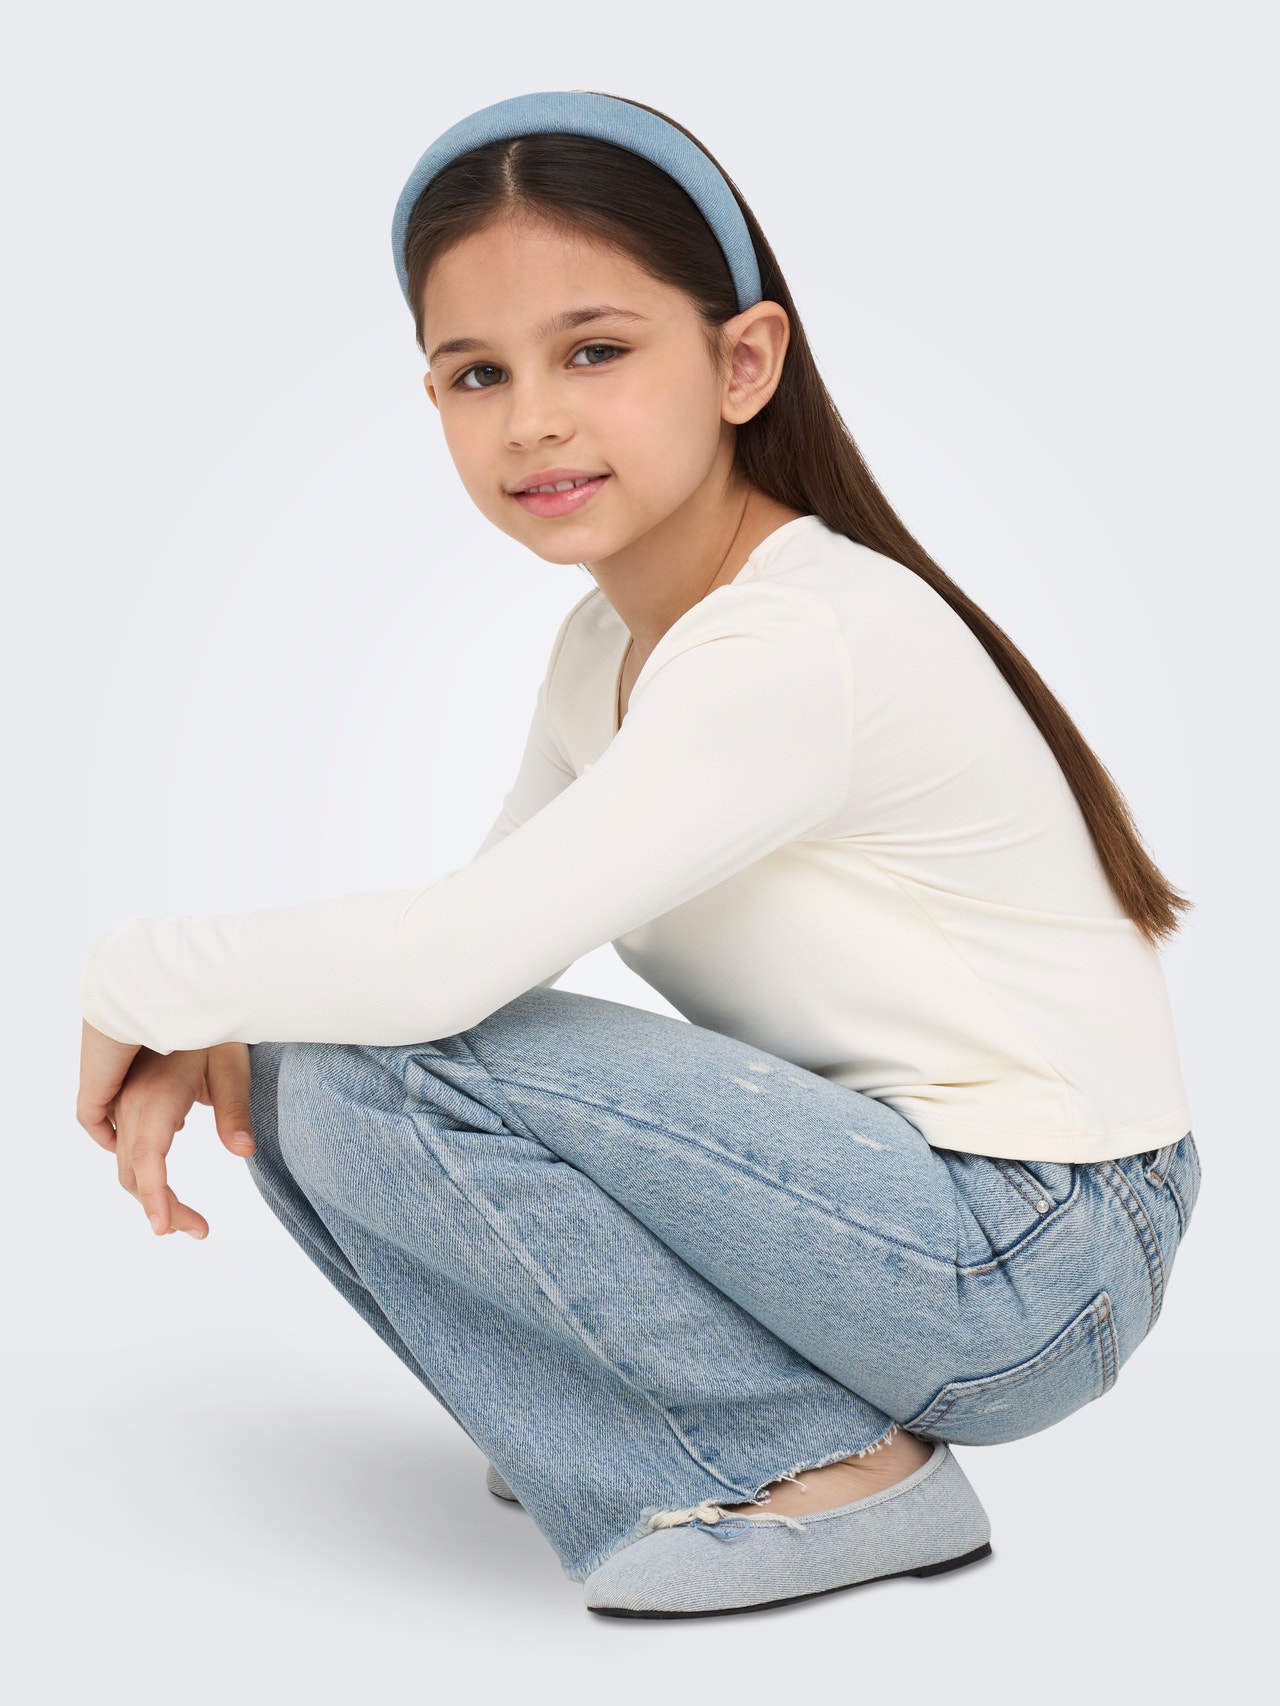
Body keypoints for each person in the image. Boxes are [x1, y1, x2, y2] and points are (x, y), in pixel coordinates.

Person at [75, 89, 1200, 1620]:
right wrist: (244, 1014)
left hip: (1038, 1253)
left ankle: (803, 1462)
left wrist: (139, 975)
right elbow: (469, 952)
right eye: (478, 372)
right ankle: (648, 1410)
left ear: (744, 363)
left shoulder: (792, 640)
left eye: (594, 350)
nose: (533, 418)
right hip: (912, 1218)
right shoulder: (605, 645)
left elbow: (437, 977)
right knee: (323, 1062)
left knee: (365, 1050)